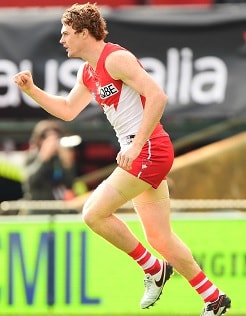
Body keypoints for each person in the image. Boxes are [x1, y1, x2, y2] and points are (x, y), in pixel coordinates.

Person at [13, 3, 231, 314]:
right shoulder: (88, 71)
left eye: (65, 33)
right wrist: (32, 90)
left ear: (84, 33)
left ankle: (154, 269)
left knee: (93, 214)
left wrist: (135, 145)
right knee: (160, 237)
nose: (61, 39)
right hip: (144, 152)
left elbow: (158, 96)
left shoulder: (116, 58)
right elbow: (67, 110)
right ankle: (213, 297)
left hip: (148, 149)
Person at [22, 119, 78, 214]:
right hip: (37, 211)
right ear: (39, 140)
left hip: (59, 210)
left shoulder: (60, 159)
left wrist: (66, 162)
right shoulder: (31, 157)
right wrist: (44, 157)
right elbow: (30, 182)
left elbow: (70, 185)